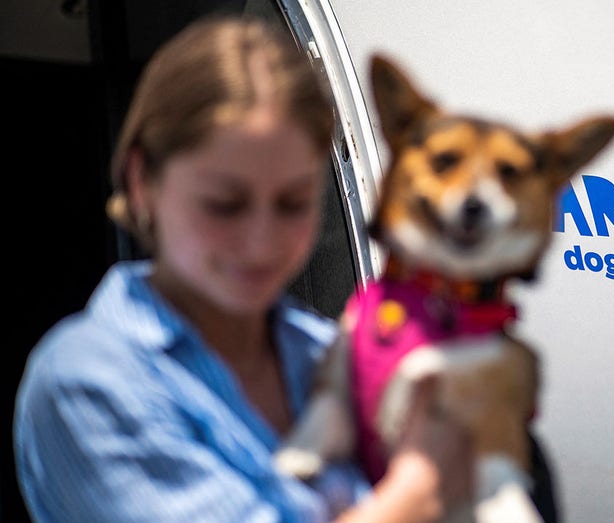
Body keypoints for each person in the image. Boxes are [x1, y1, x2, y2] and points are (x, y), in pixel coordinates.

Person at [13, 15, 473, 523]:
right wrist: (417, 492)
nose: (261, 242)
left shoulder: (322, 353)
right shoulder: (87, 384)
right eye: (224, 204)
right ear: (142, 181)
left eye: (293, 203)